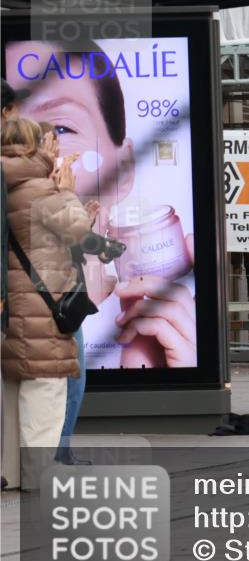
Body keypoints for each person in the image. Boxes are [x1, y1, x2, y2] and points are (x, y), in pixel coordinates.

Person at [7, 41, 196, 369]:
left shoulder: (161, 318)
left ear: (123, 168)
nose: (30, 156)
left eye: (59, 129)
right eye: (8, 138)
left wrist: (185, 362)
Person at [2, 118, 92, 489]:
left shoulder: (7, 185)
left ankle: (10, 472)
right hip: (42, 309)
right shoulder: (40, 189)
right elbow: (78, 232)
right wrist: (67, 192)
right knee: (44, 393)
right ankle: (38, 478)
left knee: (13, 394)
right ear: (33, 146)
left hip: (13, 305)